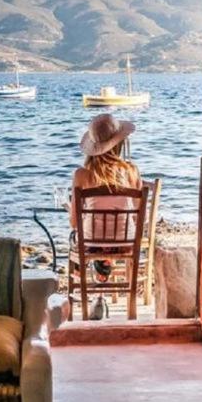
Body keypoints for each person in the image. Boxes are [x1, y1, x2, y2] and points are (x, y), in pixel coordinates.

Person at [70, 113, 143, 282]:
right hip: (126, 242)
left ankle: (80, 278)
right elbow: (137, 216)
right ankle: (104, 265)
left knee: (75, 237)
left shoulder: (81, 175)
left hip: (91, 243)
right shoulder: (132, 171)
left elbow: (74, 222)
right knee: (107, 237)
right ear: (119, 143)